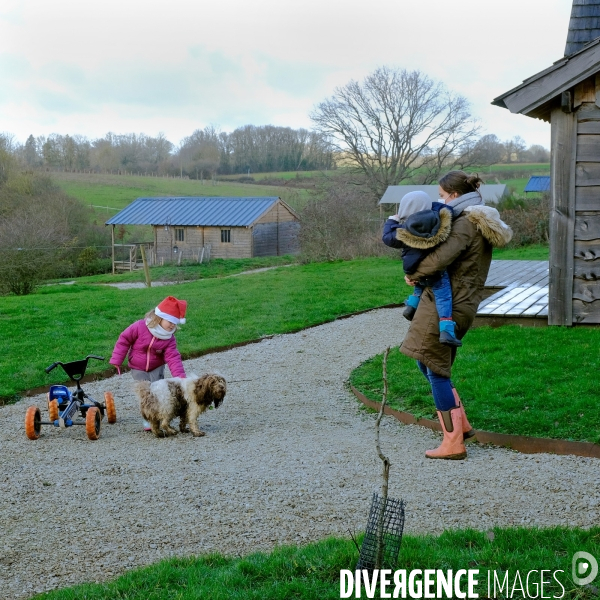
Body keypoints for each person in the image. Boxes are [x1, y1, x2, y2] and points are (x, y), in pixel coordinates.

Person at [398, 172, 512, 460]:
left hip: (446, 305)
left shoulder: (465, 224)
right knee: (428, 364)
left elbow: (439, 259)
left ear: (454, 195)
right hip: (457, 302)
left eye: (441, 194)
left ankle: (453, 443)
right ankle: (461, 427)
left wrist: (413, 273)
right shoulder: (474, 221)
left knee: (435, 369)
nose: (439, 200)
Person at [382, 190, 461, 347]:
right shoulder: (437, 222)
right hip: (435, 272)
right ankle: (446, 330)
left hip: (414, 270)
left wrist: (392, 220)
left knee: (419, 286)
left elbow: (387, 238)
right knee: (444, 297)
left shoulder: (405, 229)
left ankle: (411, 307)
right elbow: (449, 213)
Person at [109, 296, 187, 431]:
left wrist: (179, 377)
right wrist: (117, 359)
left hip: (157, 367)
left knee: (157, 392)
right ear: (160, 317)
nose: (172, 325)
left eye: (175, 323)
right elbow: (124, 339)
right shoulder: (139, 326)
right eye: (170, 321)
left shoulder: (169, 338)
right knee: (144, 394)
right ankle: (148, 419)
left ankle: (159, 417)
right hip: (138, 367)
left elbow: (173, 357)